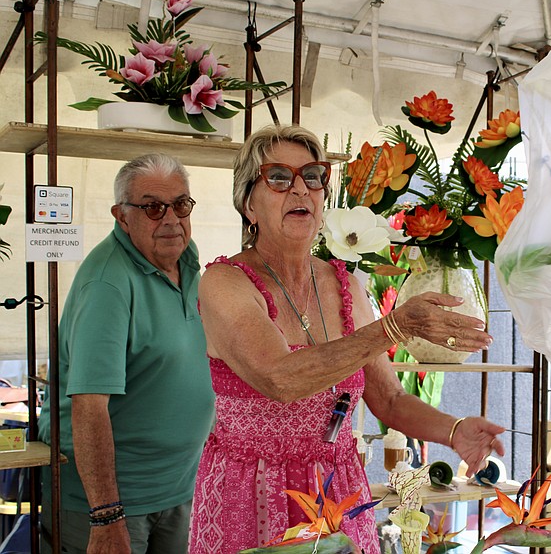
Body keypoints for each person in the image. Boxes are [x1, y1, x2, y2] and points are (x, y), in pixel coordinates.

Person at [188, 125, 505, 554]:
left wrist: (454, 430)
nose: (300, 189)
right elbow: (281, 379)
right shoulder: (225, 282)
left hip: (337, 492)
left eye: (313, 176)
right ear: (248, 203)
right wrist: (392, 328)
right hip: (252, 490)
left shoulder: (344, 285)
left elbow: (389, 400)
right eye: (279, 177)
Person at [38, 154, 215, 554]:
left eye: (181, 204)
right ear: (122, 216)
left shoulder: (186, 260)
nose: (170, 219)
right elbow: (88, 407)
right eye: (153, 207)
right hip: (115, 506)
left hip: (179, 488)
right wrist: (106, 515)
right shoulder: (108, 284)